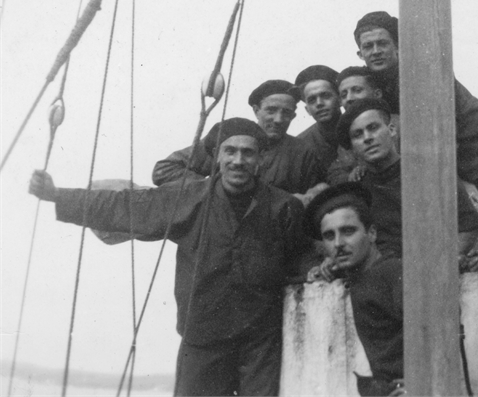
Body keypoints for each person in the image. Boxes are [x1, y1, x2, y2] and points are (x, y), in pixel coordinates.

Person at [29, 118, 316, 396]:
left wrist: (316, 267)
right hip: (202, 336)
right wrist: (57, 196)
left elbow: (301, 254)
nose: (238, 161)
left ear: (260, 159)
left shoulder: (283, 207)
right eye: (230, 151)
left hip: (259, 342)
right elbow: (125, 206)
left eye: (247, 153)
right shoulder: (188, 198)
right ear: (217, 156)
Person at [352, 10, 478, 203]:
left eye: (382, 43)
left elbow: (438, 134)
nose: (376, 51)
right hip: (456, 164)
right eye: (368, 46)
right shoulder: (370, 83)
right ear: (360, 53)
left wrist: (460, 184)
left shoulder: (422, 70)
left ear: (398, 46)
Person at [334, 98, 478, 259]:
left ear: (392, 130)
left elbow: (469, 226)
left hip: (434, 264)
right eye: (358, 135)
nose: (367, 138)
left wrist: (446, 259)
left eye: (373, 128)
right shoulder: (356, 189)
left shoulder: (432, 172)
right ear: (353, 147)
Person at [152, 79, 326, 204]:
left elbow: (313, 198)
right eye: (271, 111)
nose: (278, 119)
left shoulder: (302, 152)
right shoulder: (229, 139)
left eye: (286, 113)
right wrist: (215, 188)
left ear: (294, 116)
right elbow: (164, 170)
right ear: (256, 111)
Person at [304, 183, 405, 397]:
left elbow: (435, 329)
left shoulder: (392, 272)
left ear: (372, 233)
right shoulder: (360, 274)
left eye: (348, 231)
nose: (338, 243)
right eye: (329, 236)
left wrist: (418, 382)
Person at [294, 65, 343, 169]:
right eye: (312, 100)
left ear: (340, 100)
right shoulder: (299, 147)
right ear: (307, 110)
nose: (319, 103)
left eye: (325, 96)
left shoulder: (361, 129)